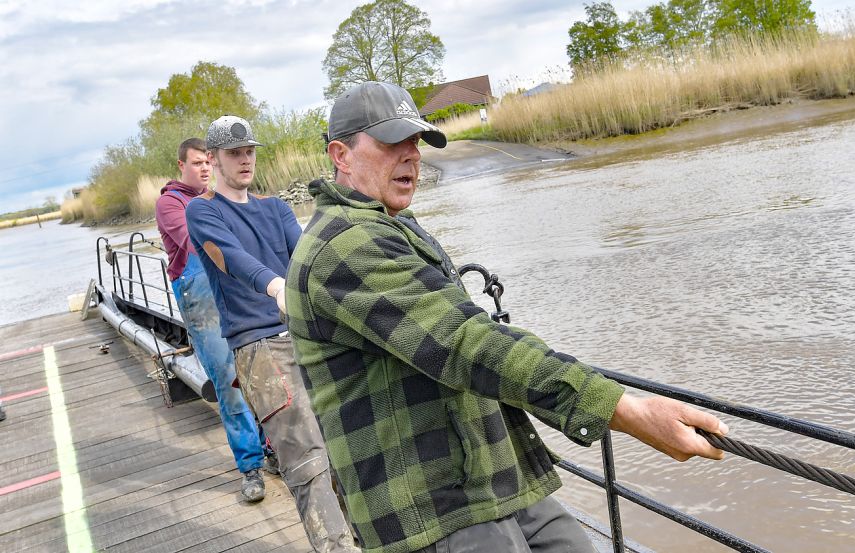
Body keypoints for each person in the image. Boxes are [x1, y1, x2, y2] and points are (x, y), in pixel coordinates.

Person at [286, 81, 730, 553]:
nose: (412, 155)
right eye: (392, 142)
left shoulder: (390, 224)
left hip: (494, 475)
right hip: (432, 505)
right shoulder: (344, 246)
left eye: (415, 141)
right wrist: (625, 409)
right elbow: (465, 341)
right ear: (341, 155)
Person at [185, 116, 358, 553]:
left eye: (249, 152)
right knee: (306, 458)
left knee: (344, 447)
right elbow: (231, 258)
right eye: (233, 153)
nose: (245, 160)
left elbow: (307, 258)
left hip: (307, 336)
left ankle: (368, 538)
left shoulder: (276, 208)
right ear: (213, 159)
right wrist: (276, 285)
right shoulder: (202, 211)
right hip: (259, 347)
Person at [155, 137, 274, 503]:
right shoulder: (170, 203)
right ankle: (250, 466)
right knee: (229, 383)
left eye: (208, 163)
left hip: (237, 295)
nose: (204, 169)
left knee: (265, 375)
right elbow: (199, 242)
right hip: (202, 302)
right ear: (181, 166)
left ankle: (275, 448)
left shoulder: (221, 200)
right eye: (196, 163)